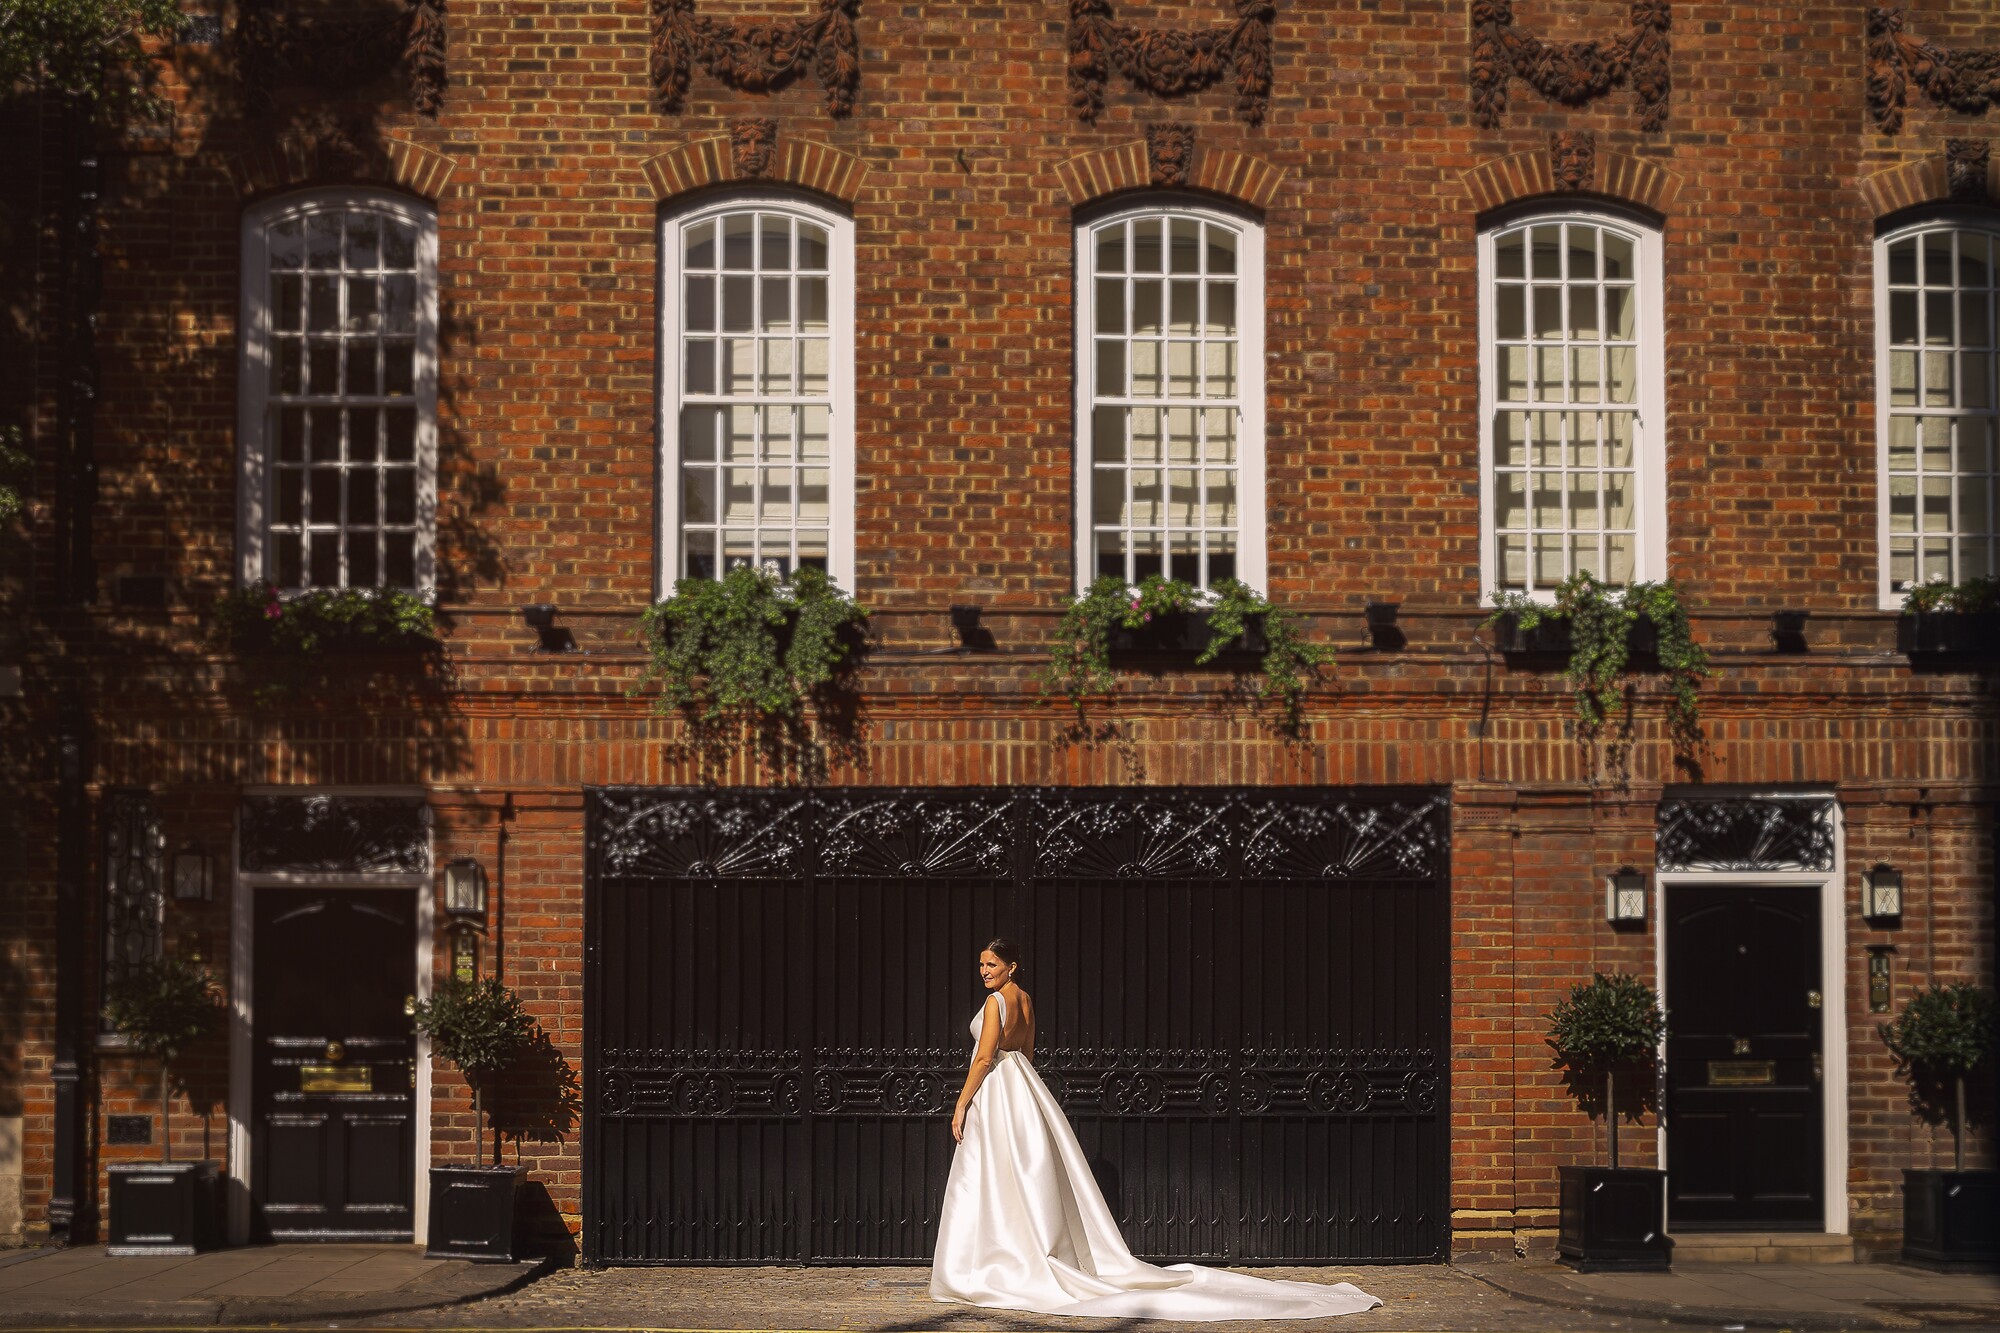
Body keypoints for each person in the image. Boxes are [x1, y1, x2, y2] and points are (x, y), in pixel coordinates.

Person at [929, 938, 1382, 1321]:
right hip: (1023, 1091)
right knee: (1017, 1176)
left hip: (996, 1091)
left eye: (991, 964)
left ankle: (994, 1261)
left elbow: (986, 1058)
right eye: (981, 965)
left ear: (1012, 965)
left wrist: (961, 1103)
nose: (984, 971)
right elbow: (1027, 1052)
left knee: (993, 1177)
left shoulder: (995, 1002)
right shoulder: (1026, 1001)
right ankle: (1009, 1252)